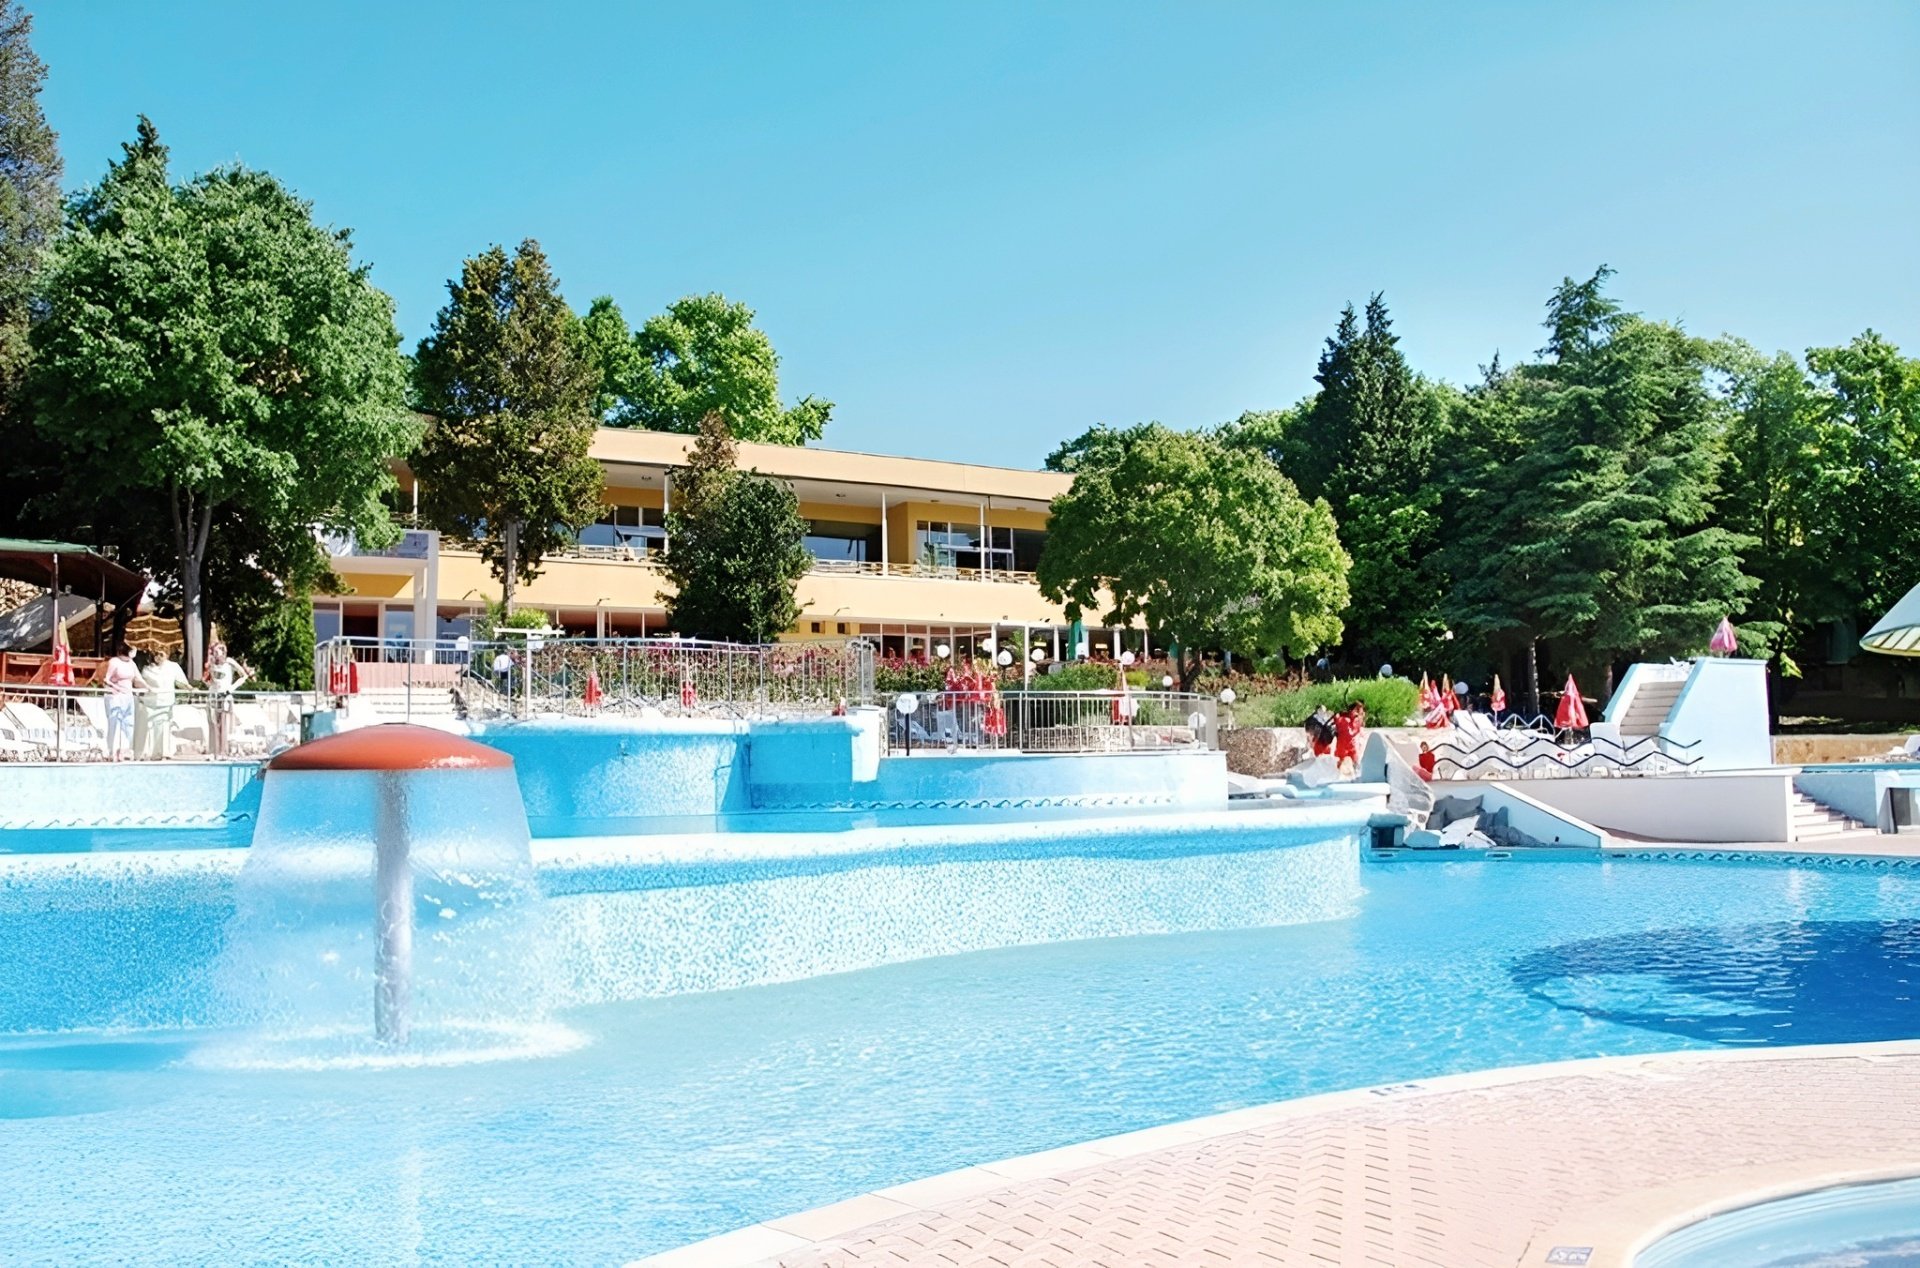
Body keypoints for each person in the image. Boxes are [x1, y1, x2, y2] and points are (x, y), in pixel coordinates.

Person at [98, 641, 146, 761]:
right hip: (115, 696)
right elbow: (106, 679)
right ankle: (113, 751)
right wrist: (116, 688)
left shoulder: (131, 663)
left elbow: (138, 678)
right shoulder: (114, 662)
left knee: (129, 724)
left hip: (128, 696)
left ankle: (126, 749)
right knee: (115, 723)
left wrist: (148, 687)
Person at [203, 642, 252, 758]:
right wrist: (210, 686)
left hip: (225, 695)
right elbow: (207, 678)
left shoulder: (229, 662)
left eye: (217, 651)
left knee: (223, 723)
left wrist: (231, 688)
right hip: (214, 695)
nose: (215, 654)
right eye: (214, 652)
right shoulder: (212, 663)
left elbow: (244, 676)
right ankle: (214, 751)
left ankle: (223, 751)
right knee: (214, 723)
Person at [140, 649, 191, 759]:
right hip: (150, 704)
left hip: (166, 703)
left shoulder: (173, 666)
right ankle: (150, 753)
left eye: (161, 654)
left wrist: (190, 688)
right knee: (150, 729)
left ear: (167, 655)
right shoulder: (147, 669)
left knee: (164, 728)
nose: (158, 657)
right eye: (156, 654)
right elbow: (141, 683)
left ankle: (164, 753)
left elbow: (181, 682)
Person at [1333, 702, 1363, 775]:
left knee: (1355, 762)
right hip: (1344, 745)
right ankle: (1337, 775)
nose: (1358, 712)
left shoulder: (1357, 720)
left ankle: (1357, 775)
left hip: (1350, 745)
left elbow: (1358, 732)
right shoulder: (1344, 719)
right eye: (1357, 710)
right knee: (1340, 762)